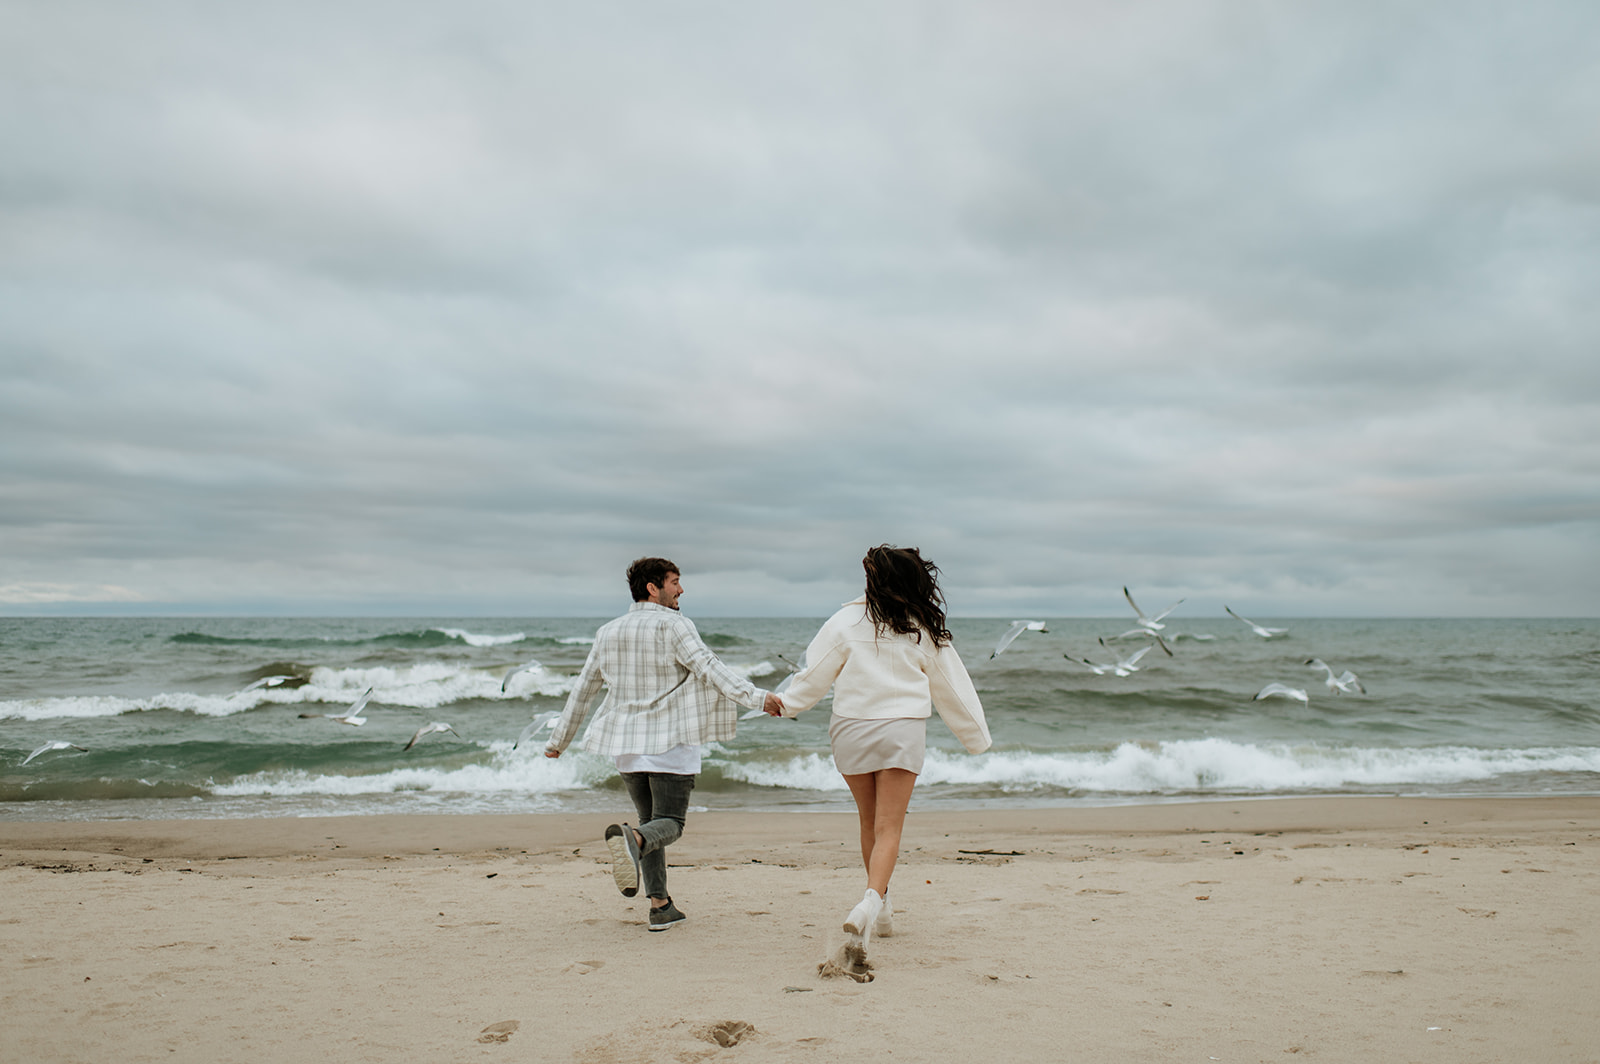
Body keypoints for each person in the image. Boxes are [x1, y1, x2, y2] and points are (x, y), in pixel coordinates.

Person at [767, 544, 990, 955]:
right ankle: (871, 902)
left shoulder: (843, 621)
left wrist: (788, 704)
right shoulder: (919, 626)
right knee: (890, 828)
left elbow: (814, 674)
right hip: (901, 731)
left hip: (850, 731)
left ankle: (883, 909)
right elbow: (952, 688)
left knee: (869, 823)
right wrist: (976, 738)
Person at [545, 557, 783, 932]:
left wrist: (559, 740)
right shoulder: (675, 625)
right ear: (652, 588)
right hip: (669, 742)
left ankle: (660, 906)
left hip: (626, 746)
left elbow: (584, 689)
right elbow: (709, 666)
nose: (681, 590)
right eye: (674, 582)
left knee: (649, 821)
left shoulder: (608, 631)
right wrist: (758, 698)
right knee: (668, 823)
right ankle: (635, 841)